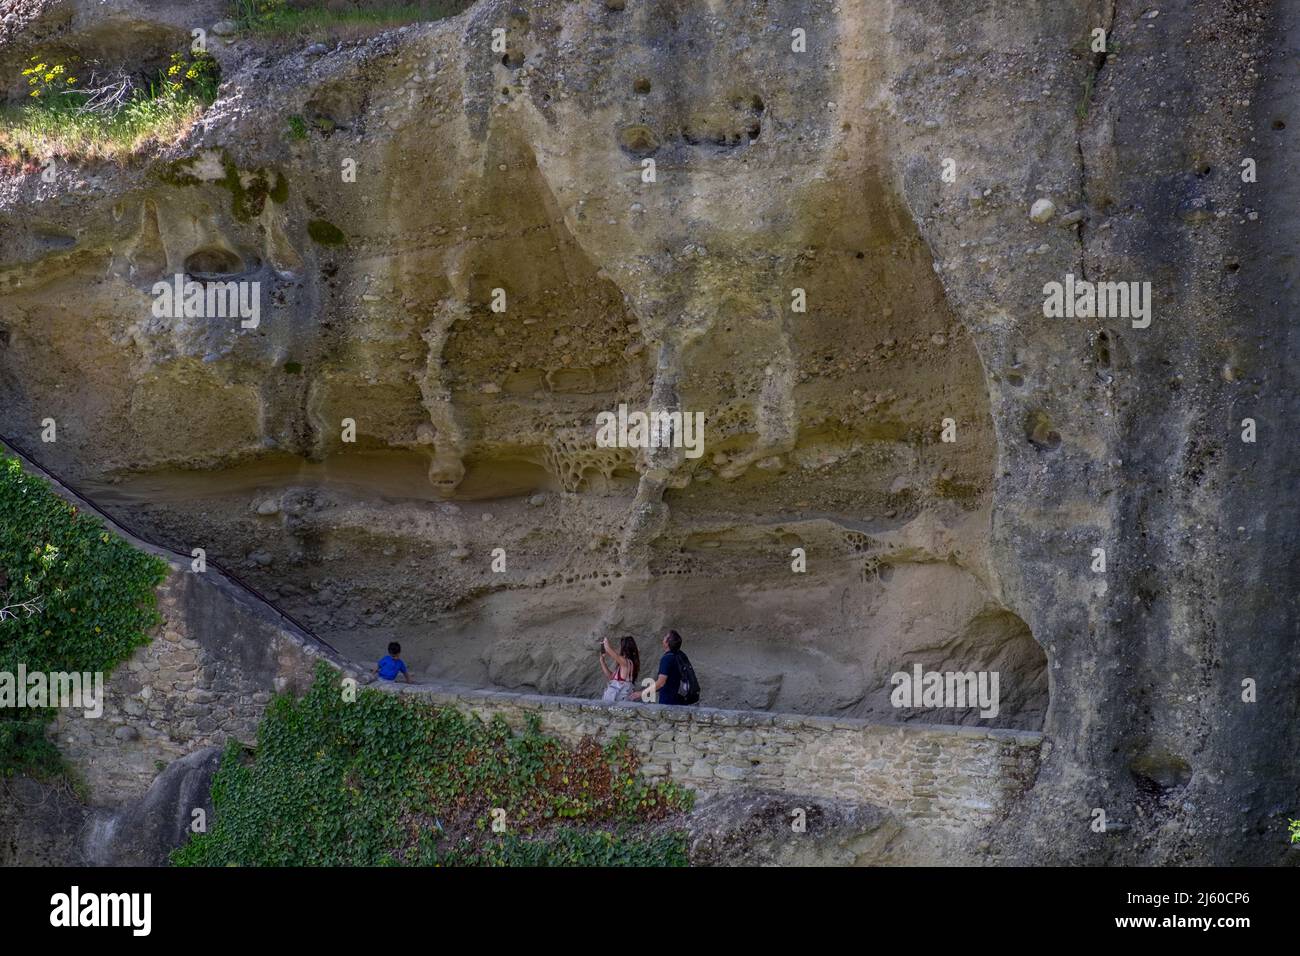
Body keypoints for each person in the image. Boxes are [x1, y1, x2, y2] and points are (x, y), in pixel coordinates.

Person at [599, 635, 640, 702]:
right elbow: (610, 677)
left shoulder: (625, 662)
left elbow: (609, 650)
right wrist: (602, 661)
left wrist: (605, 641)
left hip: (618, 701)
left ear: (623, 648)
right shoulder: (627, 663)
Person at [650, 629, 685, 705]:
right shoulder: (677, 657)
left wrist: (642, 693)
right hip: (676, 699)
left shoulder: (667, 659)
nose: (663, 638)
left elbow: (661, 682)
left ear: (667, 643)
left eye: (665, 637)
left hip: (667, 702)